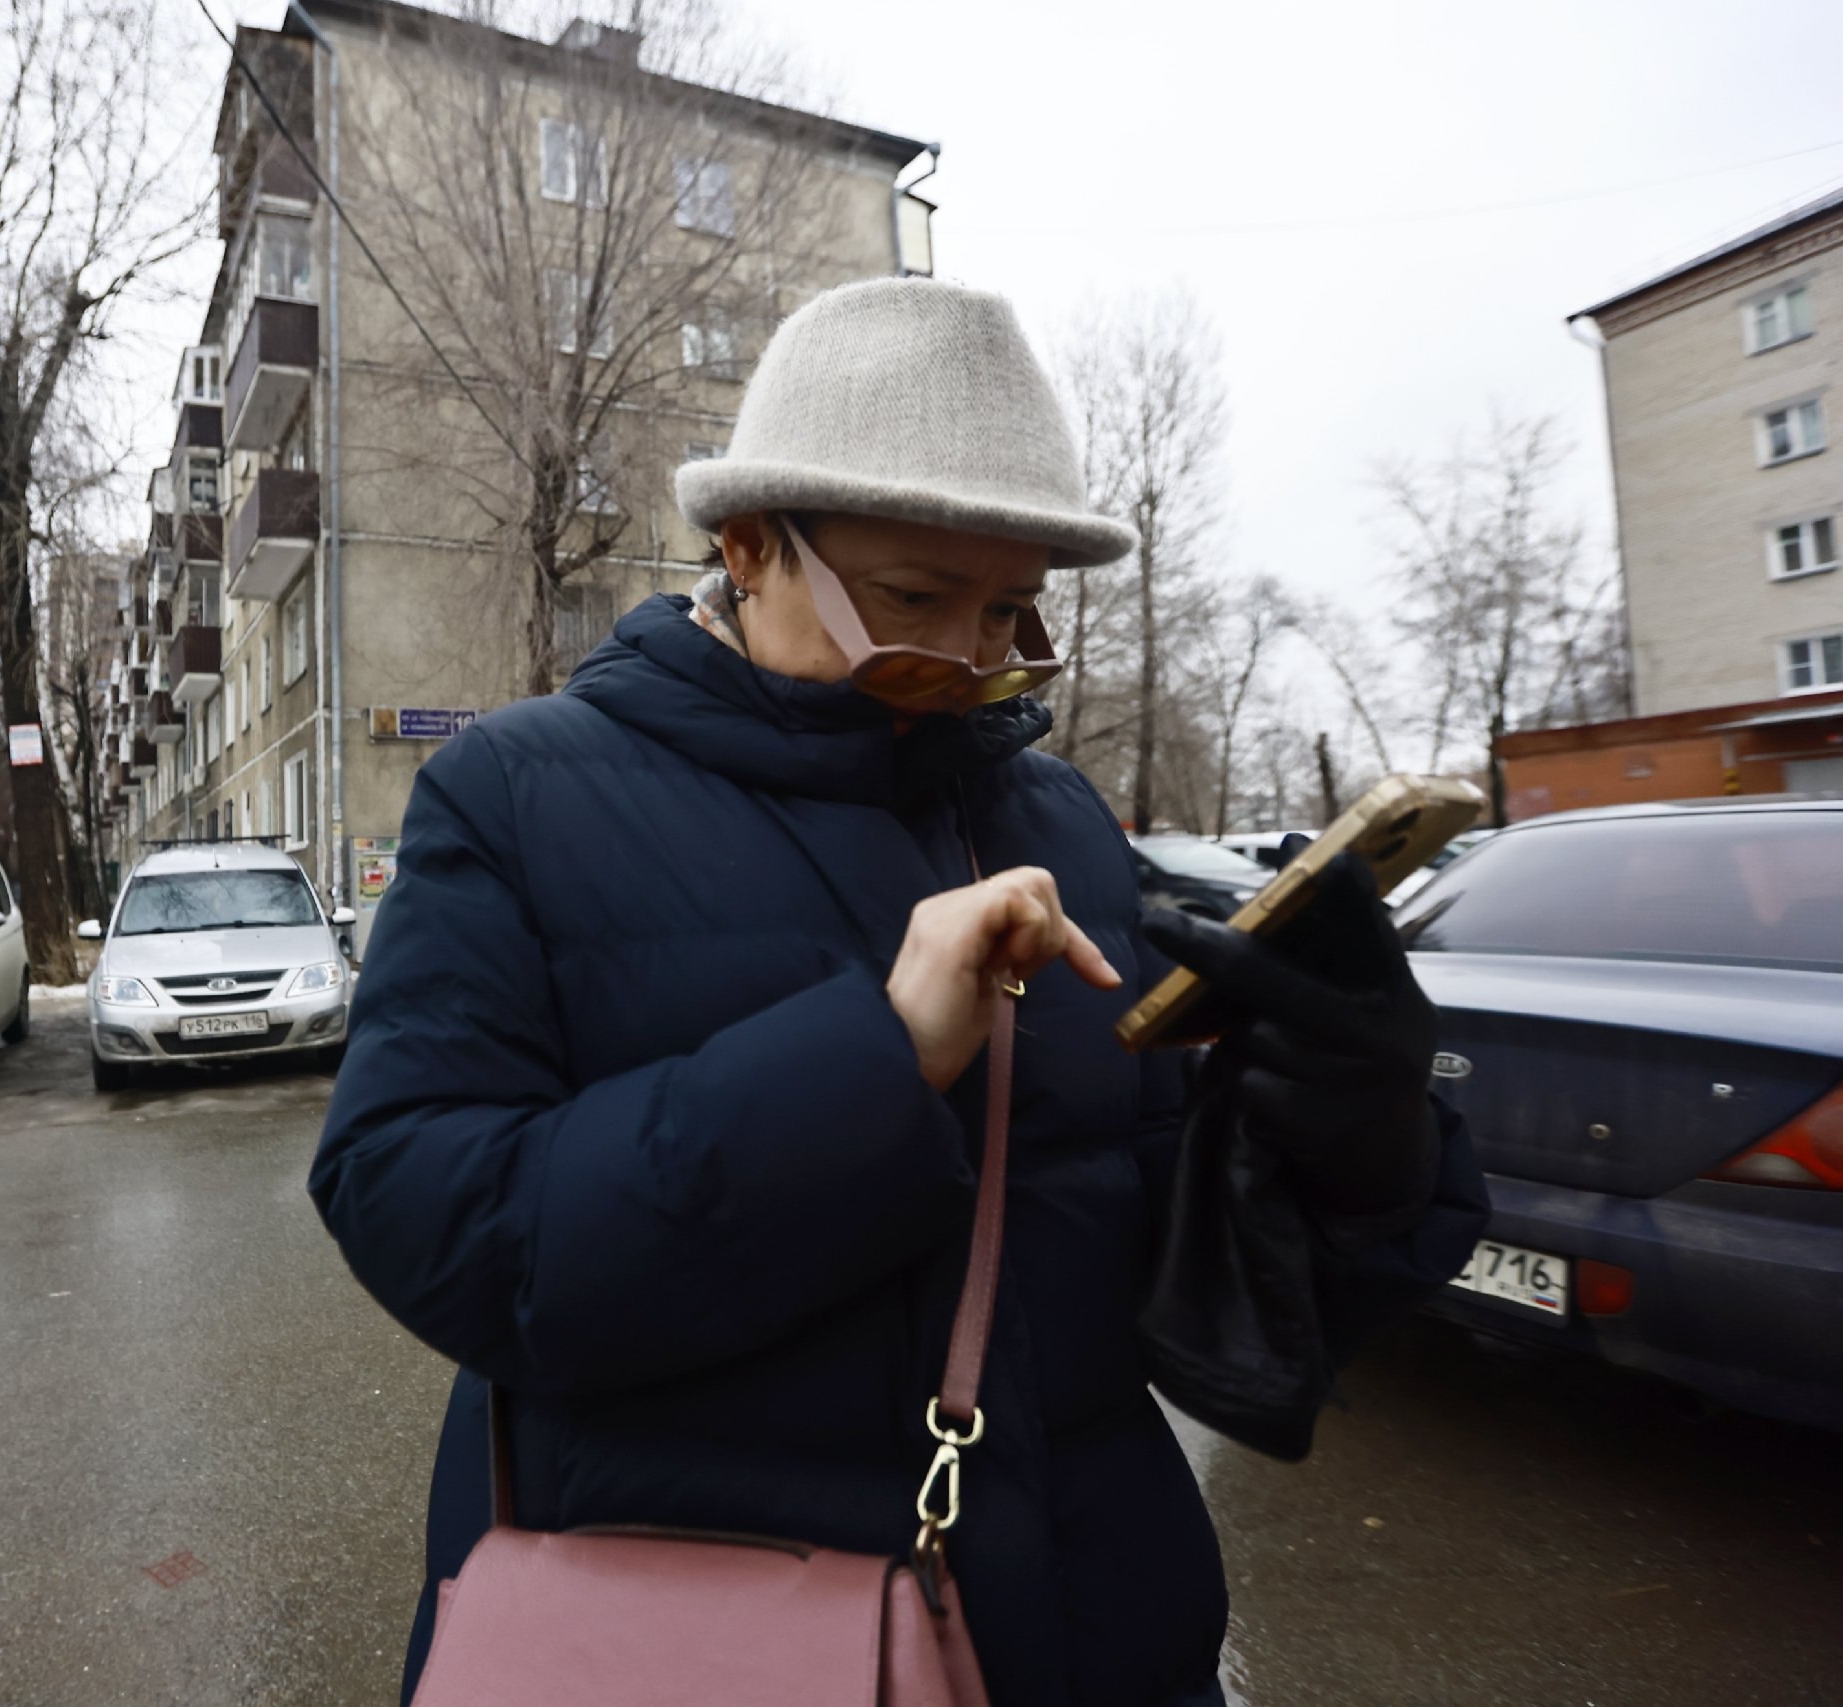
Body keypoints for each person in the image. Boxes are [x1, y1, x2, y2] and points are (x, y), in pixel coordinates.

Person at [311, 277, 1486, 1706]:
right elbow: (428, 1216)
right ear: (748, 547)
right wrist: (874, 1060)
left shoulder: (1055, 822)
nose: (975, 663)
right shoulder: (512, 793)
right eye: (919, 600)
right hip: (697, 1645)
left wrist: (1357, 1135)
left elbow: (1201, 1301)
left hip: (1095, 1639)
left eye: (1012, 612)